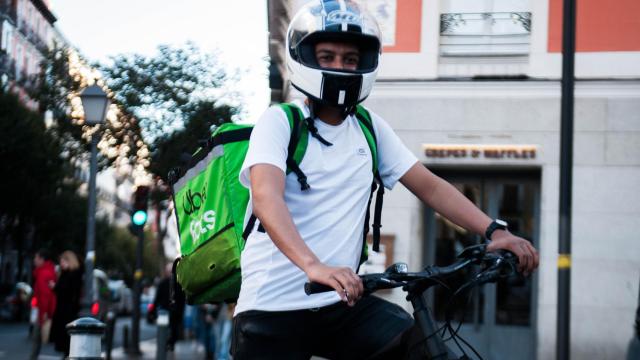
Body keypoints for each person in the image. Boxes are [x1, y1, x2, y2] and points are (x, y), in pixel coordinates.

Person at [231, 1, 539, 359]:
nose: (340, 66)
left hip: (340, 304)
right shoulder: (280, 122)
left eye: (349, 59)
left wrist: (495, 231)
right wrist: (314, 266)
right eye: (327, 56)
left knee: (416, 344)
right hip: (272, 309)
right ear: (305, 58)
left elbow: (431, 186)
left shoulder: (370, 128)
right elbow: (268, 198)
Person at [50, 250, 83, 357]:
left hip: (68, 312)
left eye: (63, 261)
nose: (61, 264)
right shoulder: (65, 274)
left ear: (70, 261)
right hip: (63, 311)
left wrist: (55, 287)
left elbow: (68, 291)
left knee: (67, 342)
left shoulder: (73, 275)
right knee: (65, 344)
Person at [30, 248, 57, 360]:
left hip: (42, 311)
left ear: (42, 259)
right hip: (42, 310)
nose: (34, 260)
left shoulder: (43, 273)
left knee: (36, 340)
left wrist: (45, 313)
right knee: (37, 340)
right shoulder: (47, 271)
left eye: (36, 257)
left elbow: (45, 295)